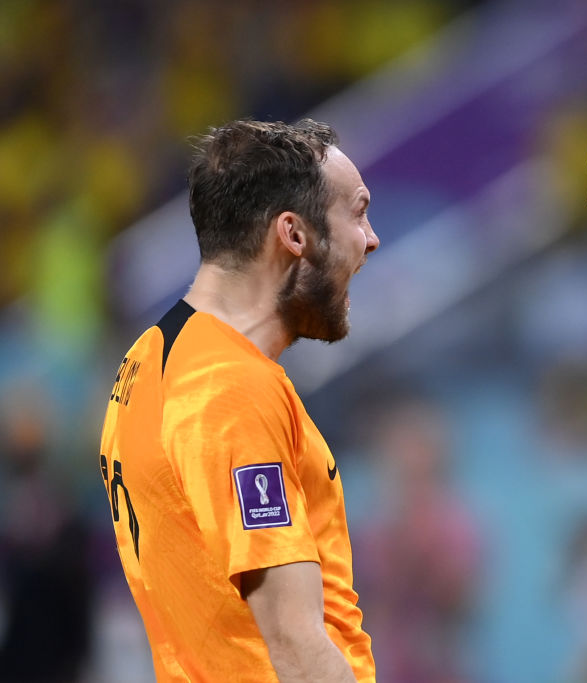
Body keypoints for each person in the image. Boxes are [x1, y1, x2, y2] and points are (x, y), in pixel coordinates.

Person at [98, 119, 379, 682]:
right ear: (294, 235)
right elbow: (294, 642)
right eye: (358, 212)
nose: (370, 238)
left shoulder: (148, 359)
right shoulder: (228, 388)